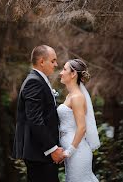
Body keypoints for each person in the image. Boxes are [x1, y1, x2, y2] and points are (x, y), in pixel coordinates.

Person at [13, 45, 65, 182]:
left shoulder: (39, 80)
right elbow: (35, 120)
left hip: (41, 153)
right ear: (42, 61)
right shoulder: (34, 82)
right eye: (53, 61)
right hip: (39, 153)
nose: (56, 64)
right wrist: (52, 149)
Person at [58, 58, 100, 182]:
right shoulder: (70, 95)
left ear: (73, 74)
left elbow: (82, 128)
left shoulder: (77, 97)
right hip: (73, 153)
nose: (61, 72)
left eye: (64, 69)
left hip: (77, 153)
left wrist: (69, 152)